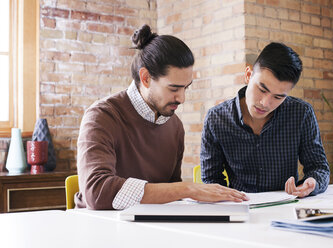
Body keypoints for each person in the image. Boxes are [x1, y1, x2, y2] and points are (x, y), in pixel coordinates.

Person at [75, 24, 248, 210]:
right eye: (174, 88)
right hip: (100, 227)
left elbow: (170, 194)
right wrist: (186, 189)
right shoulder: (102, 116)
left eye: (186, 87)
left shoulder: (175, 126)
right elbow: (97, 192)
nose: (182, 98)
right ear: (146, 78)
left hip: (150, 228)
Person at [200, 42, 330, 198]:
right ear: (248, 75)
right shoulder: (217, 119)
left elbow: (319, 168)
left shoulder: (301, 113)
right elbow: (211, 179)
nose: (265, 103)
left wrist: (312, 183)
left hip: (286, 206)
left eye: (278, 97)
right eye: (262, 89)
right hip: (240, 207)